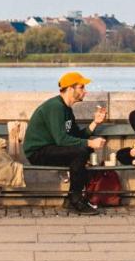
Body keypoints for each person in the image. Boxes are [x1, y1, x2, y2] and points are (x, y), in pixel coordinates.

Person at [23, 71, 107, 215]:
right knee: (82, 151)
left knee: (83, 150)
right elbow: (62, 139)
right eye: (81, 87)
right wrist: (90, 143)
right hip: (38, 152)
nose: (85, 91)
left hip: (52, 148)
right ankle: (76, 199)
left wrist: (95, 123)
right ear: (69, 89)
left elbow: (75, 136)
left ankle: (71, 199)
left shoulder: (66, 109)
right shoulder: (56, 107)